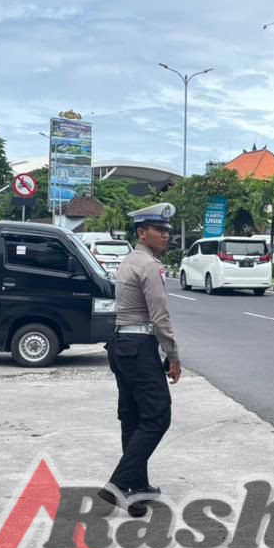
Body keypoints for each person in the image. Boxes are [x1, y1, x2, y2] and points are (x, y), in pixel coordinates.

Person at [99, 202, 181, 515]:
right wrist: (173, 355)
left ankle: (137, 490)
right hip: (139, 344)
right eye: (159, 230)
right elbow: (160, 317)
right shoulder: (149, 266)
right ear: (142, 232)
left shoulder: (128, 261)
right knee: (159, 416)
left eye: (167, 231)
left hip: (121, 345)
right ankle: (119, 484)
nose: (165, 236)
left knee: (133, 417)